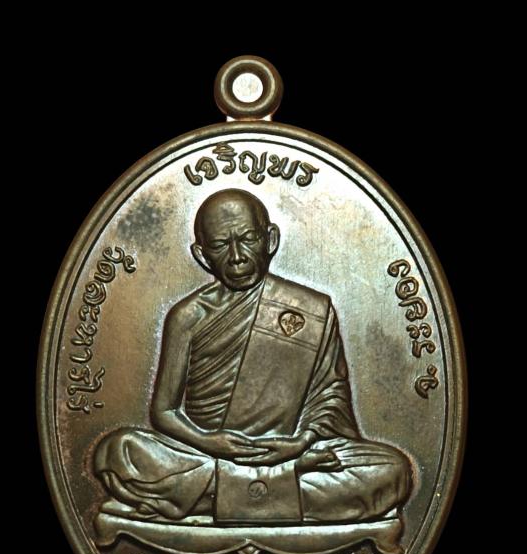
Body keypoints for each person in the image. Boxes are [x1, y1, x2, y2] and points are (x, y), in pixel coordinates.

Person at [94, 188, 411, 523]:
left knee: (391, 470)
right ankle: (278, 485)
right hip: (207, 453)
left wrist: (300, 443)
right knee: (118, 451)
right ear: (202, 255)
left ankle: (213, 497)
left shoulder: (312, 310)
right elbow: (164, 411)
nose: (237, 256)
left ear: (270, 239)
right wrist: (211, 442)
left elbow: (330, 399)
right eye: (220, 245)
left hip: (286, 452)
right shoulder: (188, 316)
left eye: (248, 239)